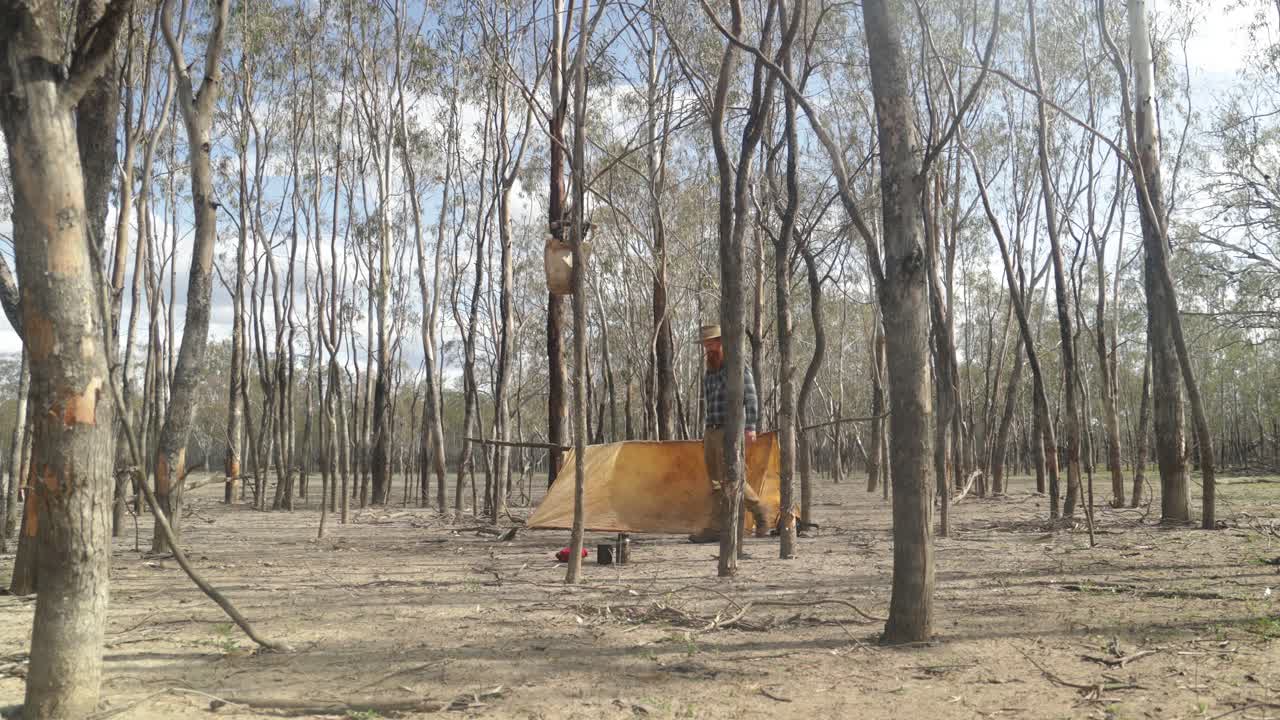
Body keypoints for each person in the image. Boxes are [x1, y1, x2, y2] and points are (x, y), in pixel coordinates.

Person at [689, 324, 773, 544]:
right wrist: (707, 432)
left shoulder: (736, 365)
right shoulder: (710, 368)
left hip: (731, 429)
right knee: (715, 481)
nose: (708, 348)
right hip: (712, 430)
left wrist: (751, 427)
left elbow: (751, 397)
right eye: (705, 344)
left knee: (733, 476)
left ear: (721, 342)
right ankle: (718, 527)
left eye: (711, 343)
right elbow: (710, 403)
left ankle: (761, 512)